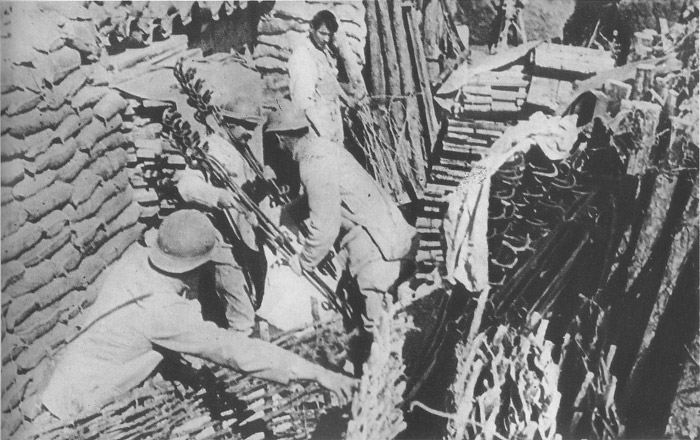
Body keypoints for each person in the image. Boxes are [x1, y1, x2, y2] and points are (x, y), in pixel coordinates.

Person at [40, 210, 357, 420]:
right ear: (195, 266)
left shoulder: (138, 259)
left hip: (74, 372)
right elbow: (234, 352)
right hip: (78, 401)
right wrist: (317, 373)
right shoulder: (162, 312)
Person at [265, 101, 416, 368]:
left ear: (279, 140)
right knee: (383, 316)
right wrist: (282, 215)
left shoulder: (312, 164)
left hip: (374, 247)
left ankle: (388, 388)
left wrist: (303, 261)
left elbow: (325, 227)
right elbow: (319, 198)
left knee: (378, 329)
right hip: (388, 231)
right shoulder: (323, 149)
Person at [176, 98, 274, 335]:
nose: (250, 133)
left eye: (253, 128)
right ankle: (241, 348)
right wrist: (217, 195)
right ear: (228, 123)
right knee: (240, 308)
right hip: (221, 239)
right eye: (244, 127)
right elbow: (186, 186)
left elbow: (245, 192)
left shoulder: (240, 150)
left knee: (255, 292)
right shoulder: (209, 149)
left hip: (244, 235)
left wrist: (264, 183)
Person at [288, 9, 361, 145]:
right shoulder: (303, 56)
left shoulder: (323, 52)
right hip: (316, 124)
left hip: (331, 119)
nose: (326, 39)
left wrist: (347, 100)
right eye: (322, 33)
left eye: (329, 35)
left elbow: (331, 81)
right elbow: (304, 102)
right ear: (311, 28)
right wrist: (323, 132)